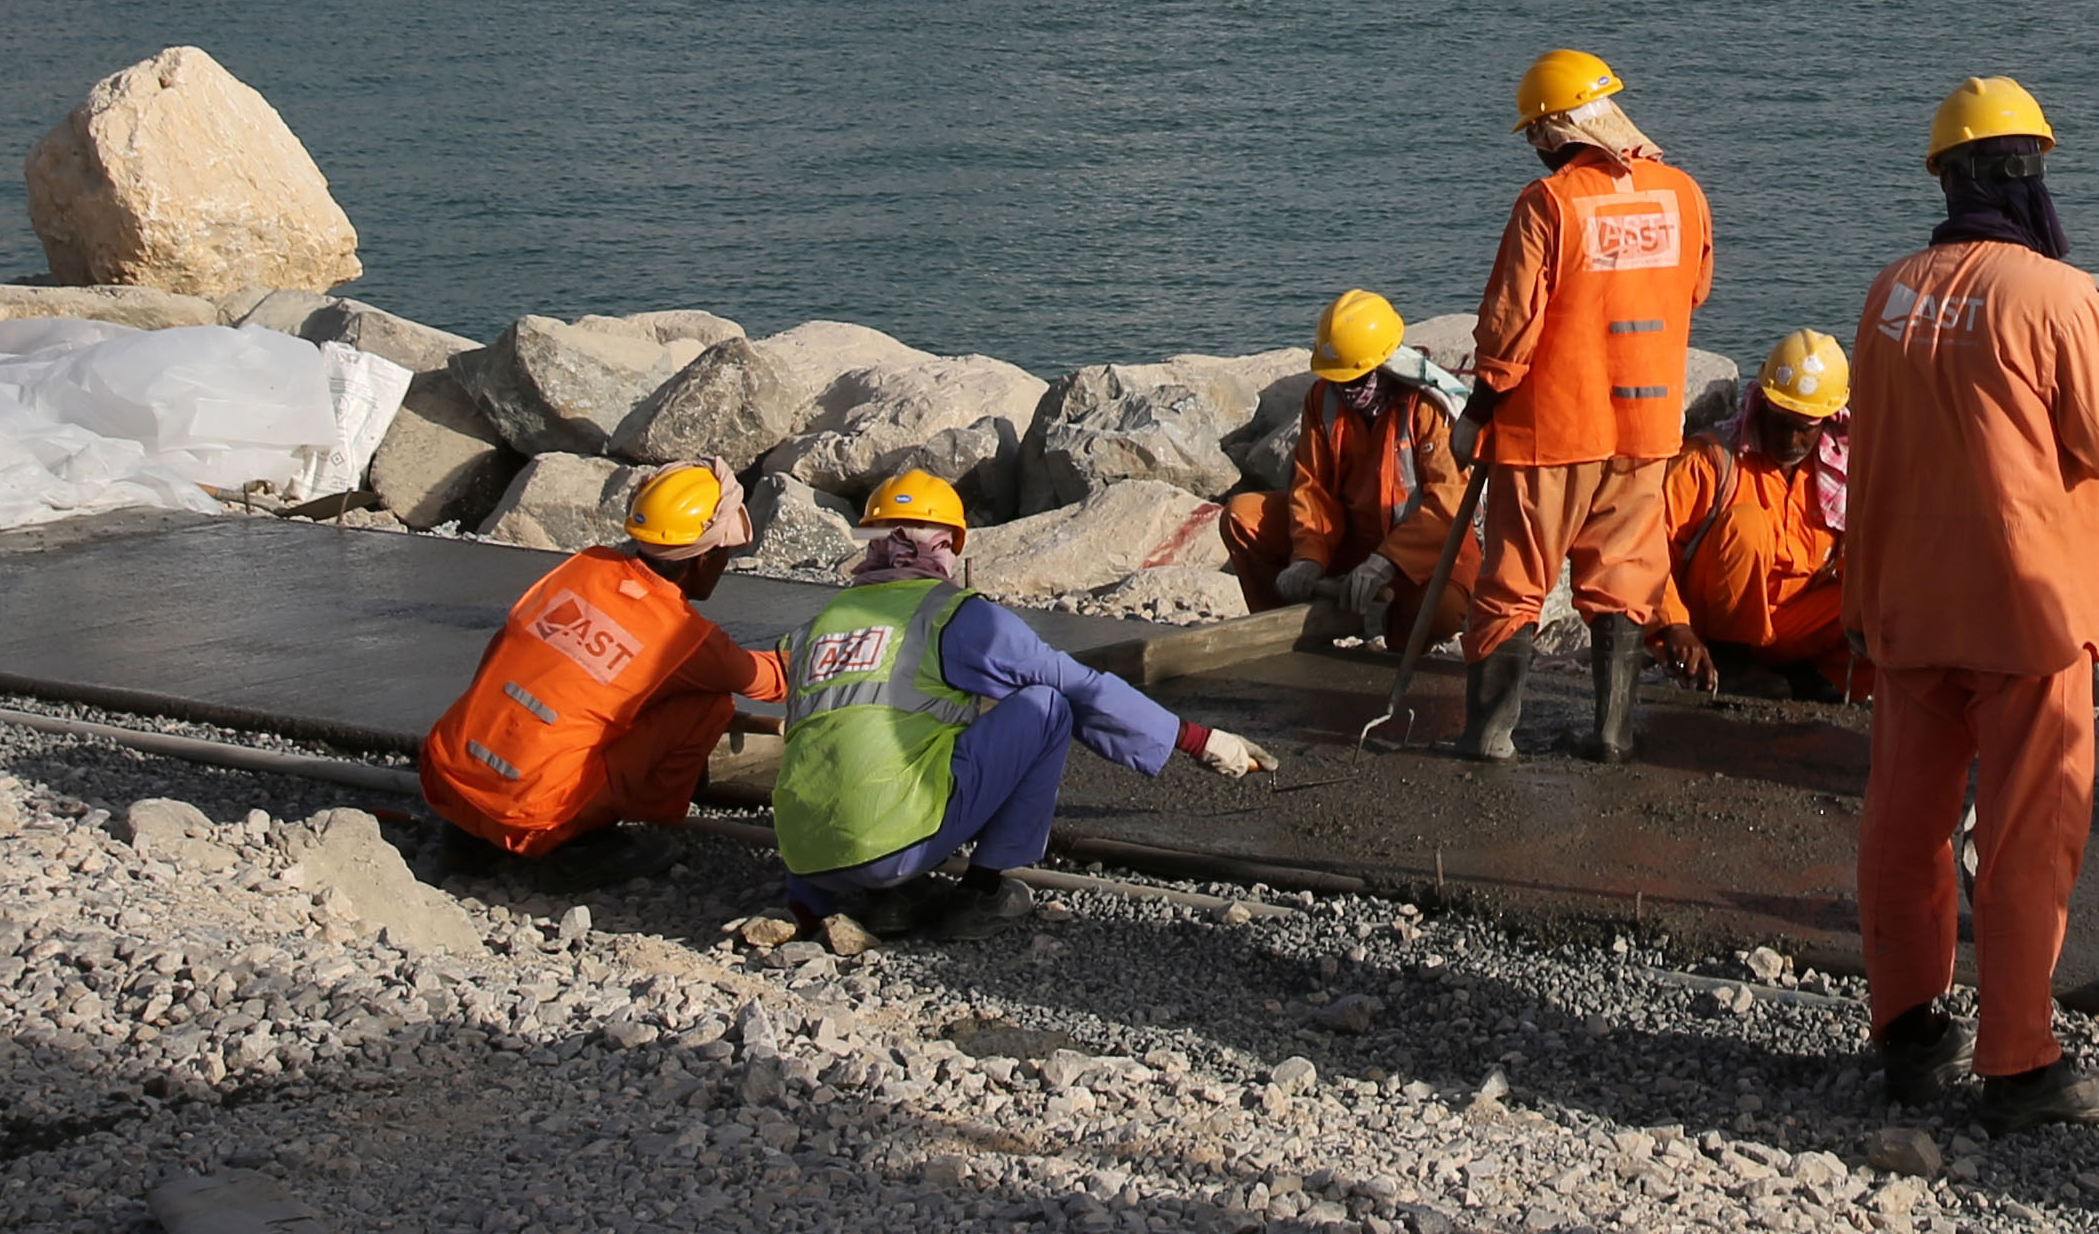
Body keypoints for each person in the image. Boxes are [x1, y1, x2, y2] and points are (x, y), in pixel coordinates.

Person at [1847, 75, 2099, 1130]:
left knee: (1903, 824)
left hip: (1906, 605)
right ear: (2034, 172)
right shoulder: (2055, 297)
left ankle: (1909, 1035)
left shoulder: (1888, 290)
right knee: (2028, 836)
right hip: (2023, 612)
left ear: (1945, 176)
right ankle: (2020, 1063)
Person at [762, 468, 1273, 951]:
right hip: (893, 844)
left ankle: (888, 900)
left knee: (875, 741)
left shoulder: (821, 623)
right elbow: (1080, 685)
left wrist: (807, 903)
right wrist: (1199, 740)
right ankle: (981, 893)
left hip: (807, 859)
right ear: (947, 545)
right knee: (1046, 706)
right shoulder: (953, 616)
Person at [1461, 48, 1716, 765]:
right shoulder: (1684, 195)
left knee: (1515, 582)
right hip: (1647, 430)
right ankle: (1611, 733)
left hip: (1552, 431)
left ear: (1553, 130)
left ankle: (1489, 736)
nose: (1537, 151)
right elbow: (1695, 290)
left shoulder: (1548, 204)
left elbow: (1511, 326)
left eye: (1537, 136)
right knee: (1626, 580)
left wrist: (1476, 412)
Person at [420, 461, 788, 886]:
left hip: (445, 777)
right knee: (708, 704)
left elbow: (500, 653)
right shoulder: (687, 638)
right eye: (725, 553)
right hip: (534, 815)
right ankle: (606, 837)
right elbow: (773, 681)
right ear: (704, 558)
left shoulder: (583, 567)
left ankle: (469, 840)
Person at [1219, 288, 1477, 650]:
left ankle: (1394, 639)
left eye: (1354, 380)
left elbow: (1448, 506)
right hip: (1352, 541)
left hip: (1425, 553)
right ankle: (1292, 636)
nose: (1345, 390)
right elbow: (1311, 488)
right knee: (1242, 516)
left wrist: (1388, 562)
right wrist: (1308, 557)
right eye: (1337, 379)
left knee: (1440, 611)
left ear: (1383, 365)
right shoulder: (1323, 398)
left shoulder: (1427, 408)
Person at [1647, 329, 1863, 700]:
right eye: (1781, 423)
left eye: (1803, 430)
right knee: (1747, 525)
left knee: (1887, 602)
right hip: (1715, 627)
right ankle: (1731, 663)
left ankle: (1822, 681)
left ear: (1828, 421)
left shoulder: (1842, 473)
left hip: (1788, 626)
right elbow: (1647, 547)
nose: (1790, 441)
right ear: (1763, 404)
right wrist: (1674, 627)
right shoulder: (1712, 462)